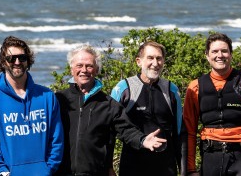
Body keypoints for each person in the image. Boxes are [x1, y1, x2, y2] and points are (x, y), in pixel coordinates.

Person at [55, 44, 167, 176]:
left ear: (96, 70)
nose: (84, 70)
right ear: (71, 69)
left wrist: (143, 140)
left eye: (89, 66)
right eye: (79, 65)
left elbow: (127, 130)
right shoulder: (58, 100)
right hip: (62, 172)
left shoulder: (108, 104)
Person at [183, 33, 241, 176]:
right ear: (207, 55)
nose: (220, 55)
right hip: (211, 156)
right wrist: (190, 169)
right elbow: (189, 130)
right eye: (214, 51)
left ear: (231, 54)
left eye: (224, 51)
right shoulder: (195, 87)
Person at [0, 36, 64, 176]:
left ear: (28, 60)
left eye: (22, 57)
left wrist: (48, 168)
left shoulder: (46, 96)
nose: (17, 62)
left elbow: (56, 139)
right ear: (3, 62)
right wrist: (1, 171)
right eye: (11, 58)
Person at [110, 41, 186, 176]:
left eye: (159, 58)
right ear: (139, 61)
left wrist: (185, 171)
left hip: (165, 168)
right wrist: (108, 167)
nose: (155, 63)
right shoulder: (124, 88)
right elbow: (109, 131)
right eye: (150, 58)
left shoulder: (171, 90)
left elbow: (179, 133)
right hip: (132, 167)